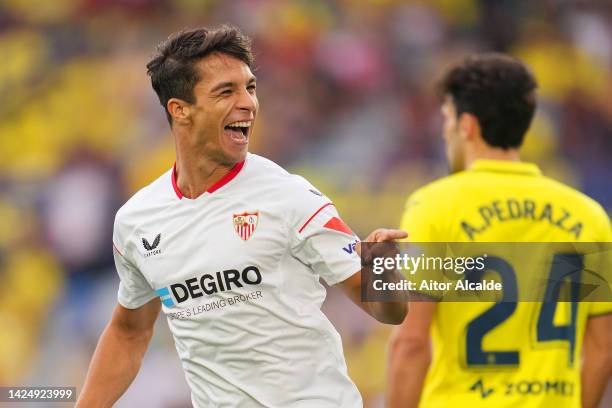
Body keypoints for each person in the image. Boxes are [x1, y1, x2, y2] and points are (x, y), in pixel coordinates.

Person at [76, 25, 407, 408]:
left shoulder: (289, 195)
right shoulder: (138, 220)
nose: (249, 103)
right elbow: (129, 332)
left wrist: (384, 272)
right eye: (226, 91)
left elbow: (389, 312)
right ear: (180, 110)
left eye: (249, 87)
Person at [387, 53, 611, 408]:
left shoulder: (433, 205)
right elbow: (602, 348)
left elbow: (411, 342)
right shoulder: (589, 215)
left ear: (467, 125)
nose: (444, 132)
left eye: (446, 118)